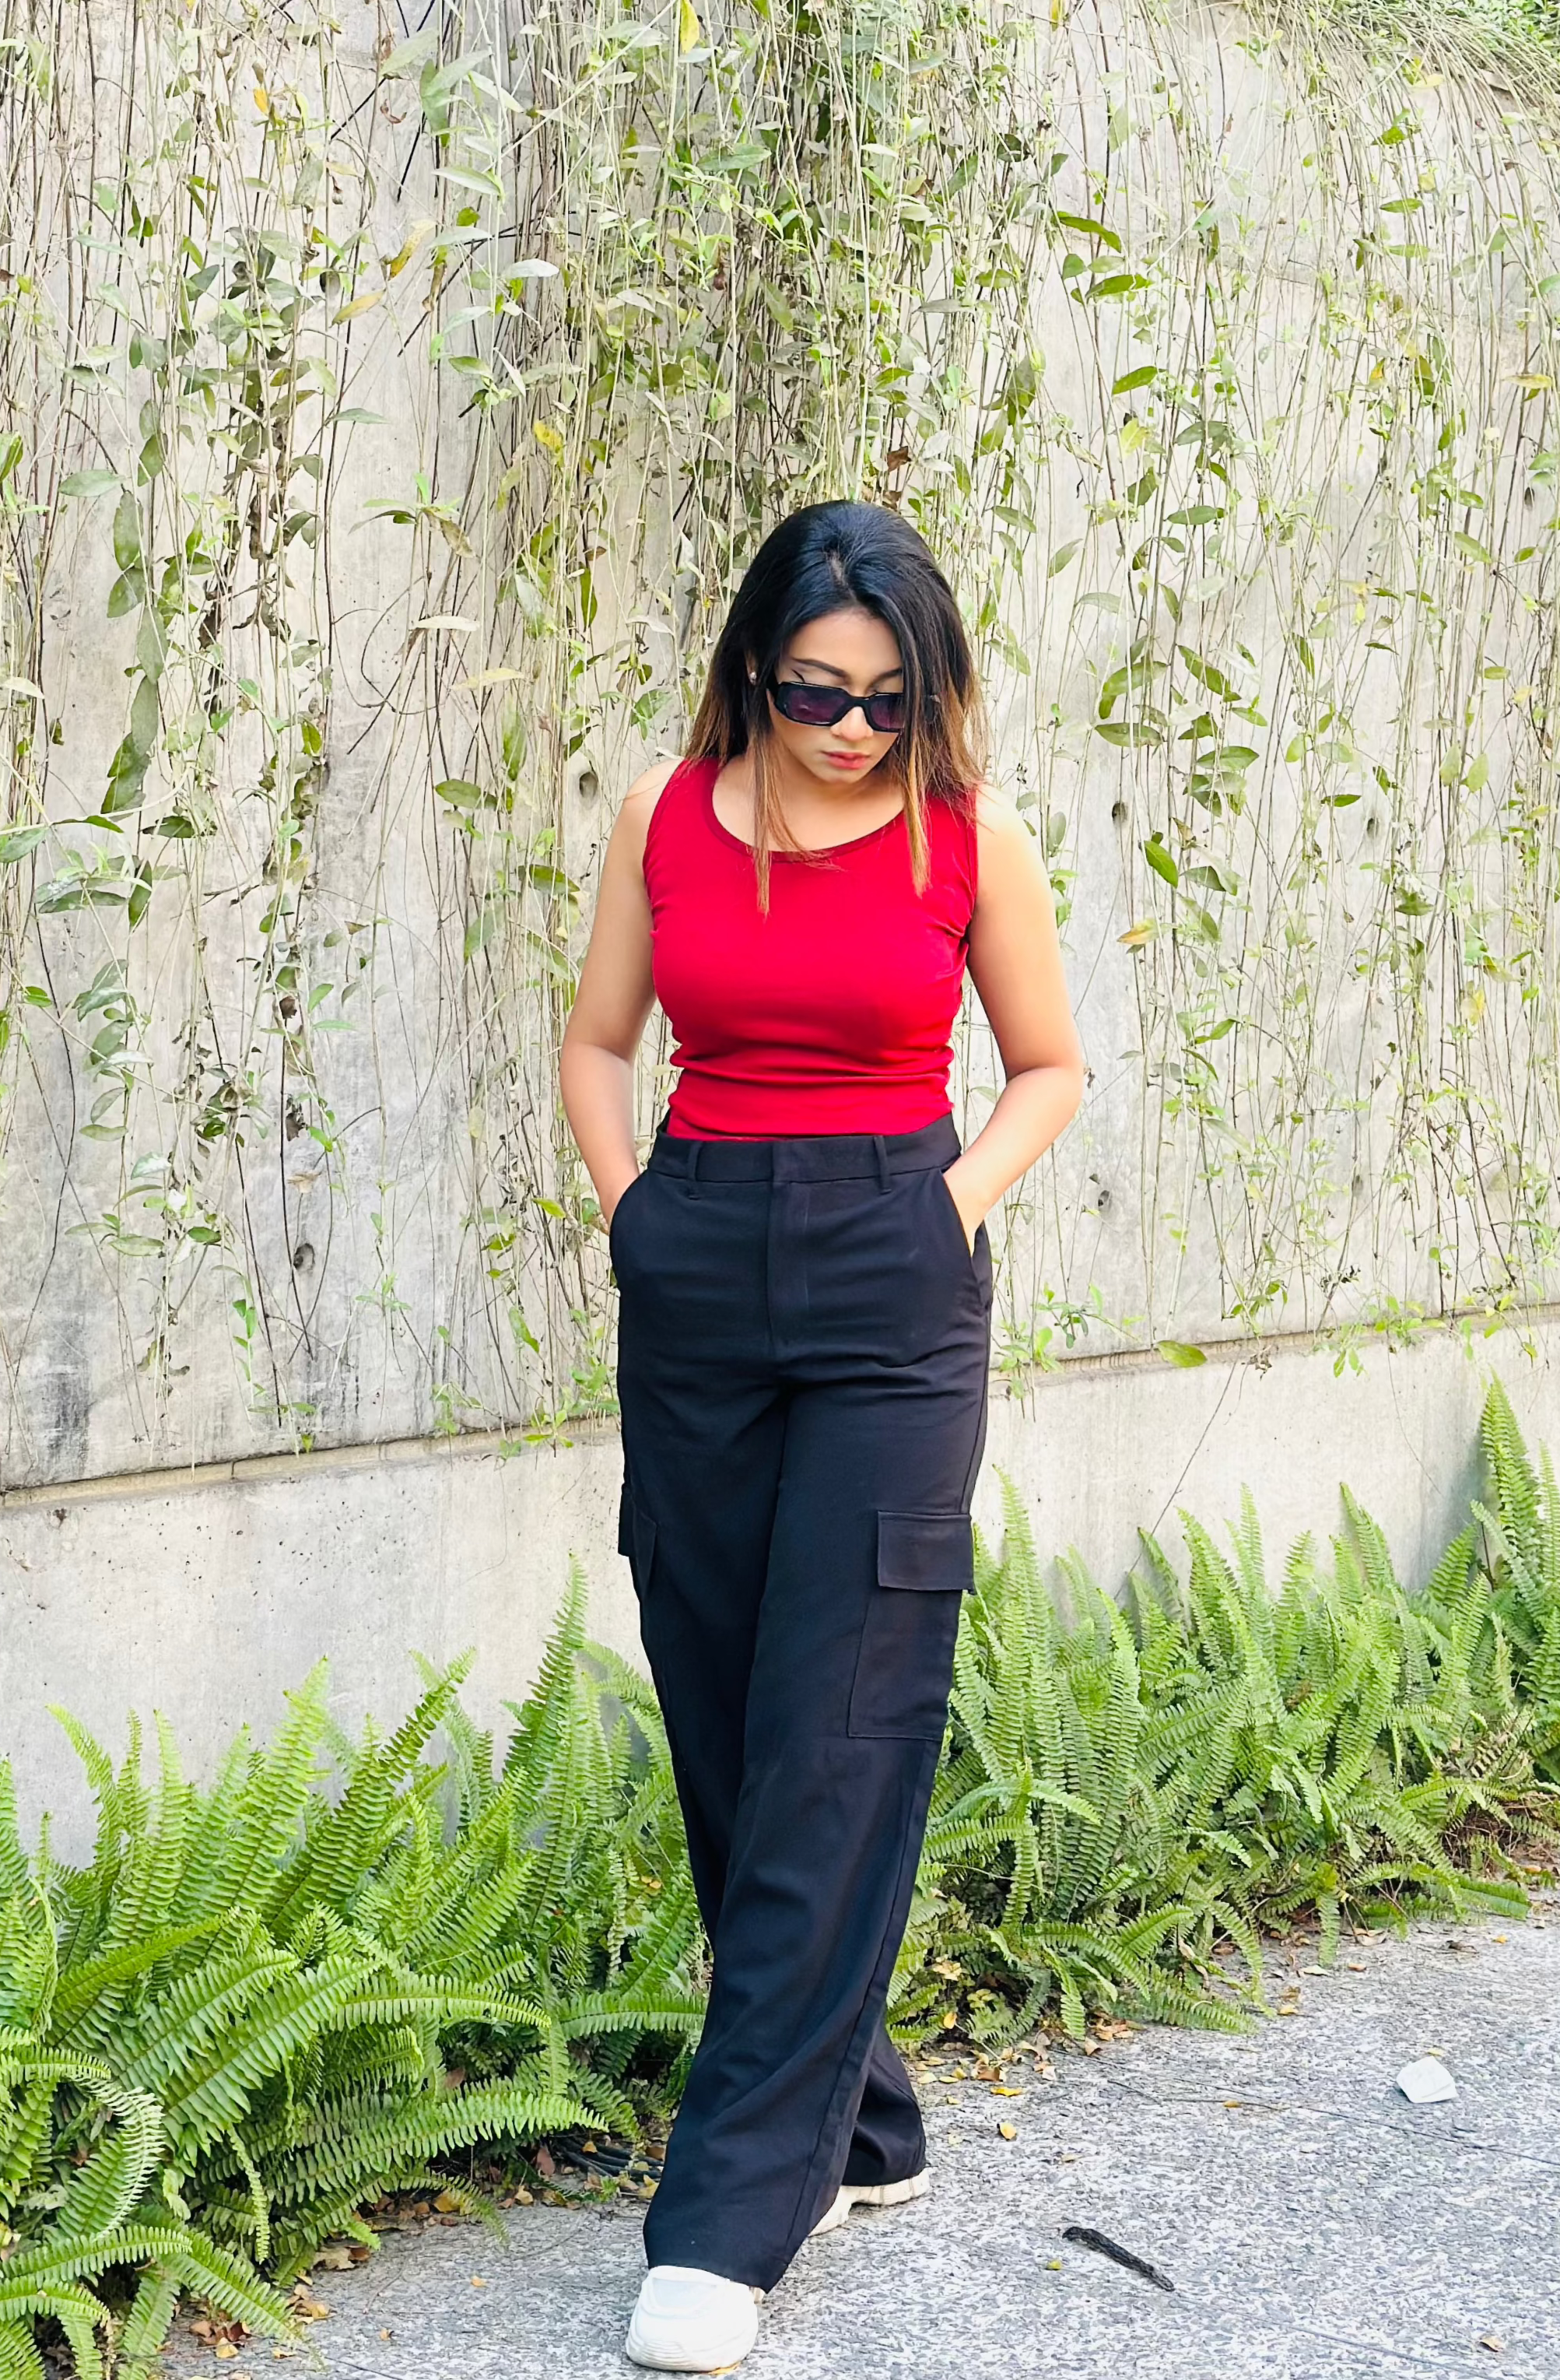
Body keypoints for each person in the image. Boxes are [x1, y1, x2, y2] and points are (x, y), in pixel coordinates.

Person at [559, 499, 1082, 2371]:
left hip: (889, 1268)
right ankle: (860, 2122)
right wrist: (634, 1208)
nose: (852, 729)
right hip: (697, 1251)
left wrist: (949, 1204)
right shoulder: (664, 813)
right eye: (811, 693)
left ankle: (727, 2209)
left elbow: (1047, 1063)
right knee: (718, 1693)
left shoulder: (969, 836)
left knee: (843, 1709)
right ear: (751, 670)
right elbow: (596, 1037)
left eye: (887, 695)